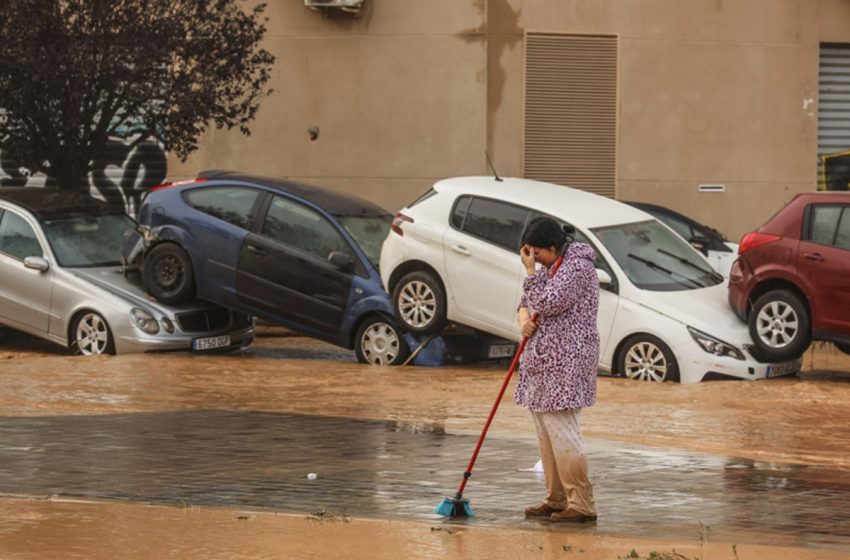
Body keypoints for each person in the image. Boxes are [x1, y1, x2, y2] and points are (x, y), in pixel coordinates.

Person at [515, 216, 599, 523]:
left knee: (562, 430)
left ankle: (582, 502)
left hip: (568, 361)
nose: (535, 260)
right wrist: (523, 319)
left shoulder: (578, 268)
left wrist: (530, 271)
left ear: (553, 246)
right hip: (541, 362)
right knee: (545, 431)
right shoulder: (552, 268)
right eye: (530, 255)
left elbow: (549, 302)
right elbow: (526, 300)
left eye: (538, 253)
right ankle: (556, 497)